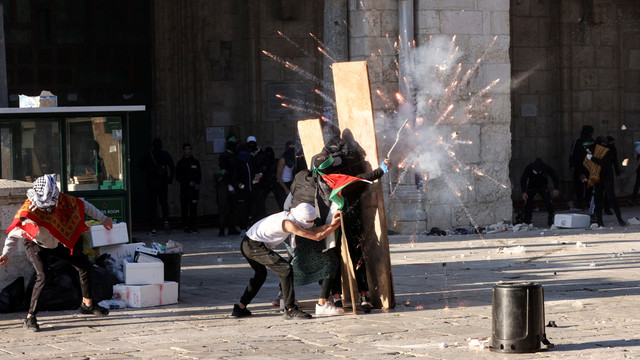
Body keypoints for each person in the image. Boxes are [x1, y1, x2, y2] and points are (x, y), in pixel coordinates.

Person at [0, 174, 112, 332]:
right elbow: (12, 236)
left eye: (51, 206)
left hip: (57, 241)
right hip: (35, 244)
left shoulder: (63, 201)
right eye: (45, 207)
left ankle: (87, 304)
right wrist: (6, 254)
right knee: (42, 276)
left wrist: (103, 218)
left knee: (84, 266)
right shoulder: (29, 213)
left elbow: (83, 205)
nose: (49, 210)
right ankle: (30, 317)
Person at [231, 203, 342, 320]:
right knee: (285, 269)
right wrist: (335, 225)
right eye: (311, 221)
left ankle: (240, 307)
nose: (312, 223)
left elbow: (313, 231)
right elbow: (316, 236)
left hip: (248, 243)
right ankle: (290, 309)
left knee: (260, 274)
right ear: (303, 219)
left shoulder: (292, 217)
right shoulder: (288, 223)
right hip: (253, 246)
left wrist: (331, 224)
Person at [583, 136, 626, 227]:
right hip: (598, 177)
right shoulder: (592, 150)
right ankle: (600, 221)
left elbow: (605, 164)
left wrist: (592, 158)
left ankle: (620, 219)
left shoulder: (606, 151)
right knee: (598, 199)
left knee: (611, 197)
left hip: (607, 176)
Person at [139, 138, 175, 235]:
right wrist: (170, 179)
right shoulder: (165, 154)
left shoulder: (148, 155)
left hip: (151, 183)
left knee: (152, 205)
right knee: (164, 203)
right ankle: (166, 221)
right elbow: (172, 166)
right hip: (163, 182)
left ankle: (153, 226)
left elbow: (140, 167)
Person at [520, 158, 560, 226]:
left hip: (543, 186)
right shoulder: (529, 168)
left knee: (548, 201)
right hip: (532, 186)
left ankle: (551, 217)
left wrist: (556, 188)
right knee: (528, 202)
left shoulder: (546, 167)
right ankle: (527, 219)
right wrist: (524, 192)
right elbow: (523, 179)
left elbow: (555, 177)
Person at [175, 143, 202, 233]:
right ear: (184, 150)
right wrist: (187, 182)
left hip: (194, 189)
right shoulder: (180, 163)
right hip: (185, 189)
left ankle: (193, 225)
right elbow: (178, 176)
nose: (188, 151)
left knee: (193, 207)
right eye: (186, 149)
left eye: (189, 149)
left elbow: (199, 174)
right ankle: (185, 226)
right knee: (185, 207)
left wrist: (196, 182)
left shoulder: (195, 162)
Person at [217, 135, 241, 237]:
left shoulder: (235, 156)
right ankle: (222, 229)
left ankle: (232, 228)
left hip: (234, 184)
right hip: (225, 184)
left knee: (233, 207)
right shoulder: (224, 156)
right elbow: (224, 172)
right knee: (223, 207)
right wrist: (229, 186)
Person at [569, 125, 594, 210]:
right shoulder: (578, 141)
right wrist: (572, 165)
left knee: (588, 186)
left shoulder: (591, 141)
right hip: (580, 167)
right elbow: (573, 154)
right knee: (580, 186)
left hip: (587, 168)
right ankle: (581, 203)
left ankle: (586, 202)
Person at [274, 141, 297, 211]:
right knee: (283, 206)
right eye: (290, 147)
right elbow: (278, 176)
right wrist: (285, 189)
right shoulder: (282, 160)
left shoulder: (292, 159)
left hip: (289, 183)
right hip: (281, 185)